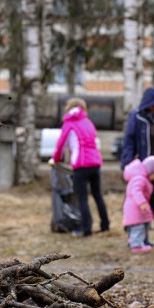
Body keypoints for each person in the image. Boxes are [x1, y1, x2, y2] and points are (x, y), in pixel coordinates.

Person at [49, 97, 110, 236]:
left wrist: (56, 159)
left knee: (82, 197)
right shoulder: (88, 122)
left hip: (81, 165)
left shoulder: (69, 124)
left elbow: (61, 145)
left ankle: (86, 228)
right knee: (97, 195)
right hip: (95, 163)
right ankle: (105, 224)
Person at [120, 86, 154, 221]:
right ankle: (135, 225)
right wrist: (127, 164)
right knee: (140, 196)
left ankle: (151, 223)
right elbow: (129, 141)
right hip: (143, 168)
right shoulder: (137, 117)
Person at [123, 155, 154, 253]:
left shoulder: (143, 178)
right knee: (138, 226)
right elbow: (136, 191)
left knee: (144, 225)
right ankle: (136, 245)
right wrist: (142, 203)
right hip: (135, 208)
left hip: (139, 207)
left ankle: (140, 241)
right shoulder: (139, 179)